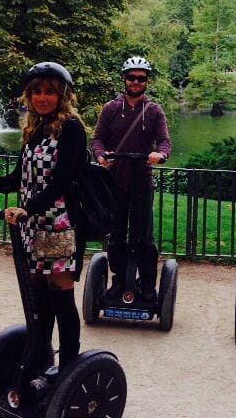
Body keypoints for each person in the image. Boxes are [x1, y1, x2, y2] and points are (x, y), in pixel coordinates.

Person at [0, 62, 87, 369]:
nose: (42, 97)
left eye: (49, 91)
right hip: (30, 225)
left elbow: (62, 180)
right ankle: (40, 357)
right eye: (36, 92)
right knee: (38, 299)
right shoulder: (34, 129)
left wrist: (28, 207)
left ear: (62, 95)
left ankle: (69, 367)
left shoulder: (71, 129)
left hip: (58, 225)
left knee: (61, 299)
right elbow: (18, 177)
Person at [91, 56, 171, 303]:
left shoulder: (154, 111)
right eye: (131, 77)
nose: (136, 82)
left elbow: (165, 141)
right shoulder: (111, 109)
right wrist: (101, 155)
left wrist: (160, 154)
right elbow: (97, 139)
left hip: (142, 182)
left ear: (147, 81)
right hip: (115, 182)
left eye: (141, 78)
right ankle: (118, 279)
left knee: (144, 236)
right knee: (116, 236)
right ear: (123, 79)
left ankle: (147, 283)